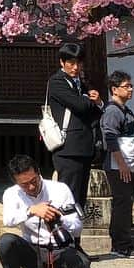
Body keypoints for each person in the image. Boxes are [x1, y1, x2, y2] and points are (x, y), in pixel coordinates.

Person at [0, 154, 91, 268]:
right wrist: (31, 210)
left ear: (39, 172)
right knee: (6, 242)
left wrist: (60, 219)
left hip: (60, 250)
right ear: (16, 182)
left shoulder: (60, 189)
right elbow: (8, 220)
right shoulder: (11, 193)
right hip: (33, 252)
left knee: (83, 265)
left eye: (34, 180)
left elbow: (78, 228)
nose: (31, 187)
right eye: (25, 184)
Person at [45, 41, 103, 215]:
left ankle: (75, 239)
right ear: (62, 62)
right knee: (67, 198)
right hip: (68, 147)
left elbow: (94, 112)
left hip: (84, 147)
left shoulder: (80, 84)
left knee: (79, 200)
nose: (75, 67)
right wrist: (88, 99)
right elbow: (81, 106)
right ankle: (65, 239)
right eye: (71, 63)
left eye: (78, 63)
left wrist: (98, 101)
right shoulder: (57, 82)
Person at [101, 70, 134, 259]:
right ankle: (120, 245)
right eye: (127, 86)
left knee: (127, 202)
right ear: (114, 89)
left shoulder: (125, 110)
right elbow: (110, 140)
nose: (131, 89)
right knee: (121, 203)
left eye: (131, 85)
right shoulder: (112, 111)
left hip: (129, 161)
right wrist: (122, 165)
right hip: (118, 164)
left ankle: (124, 235)